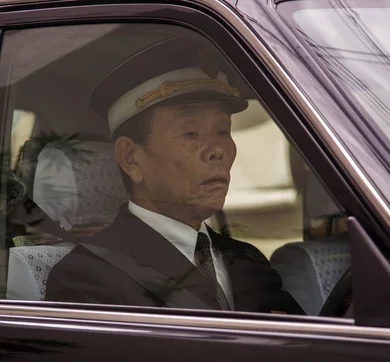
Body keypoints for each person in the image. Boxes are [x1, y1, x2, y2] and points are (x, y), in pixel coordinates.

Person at [45, 37, 303, 315]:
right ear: (131, 158)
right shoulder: (87, 276)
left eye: (223, 130)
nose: (217, 150)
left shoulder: (248, 260)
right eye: (191, 133)